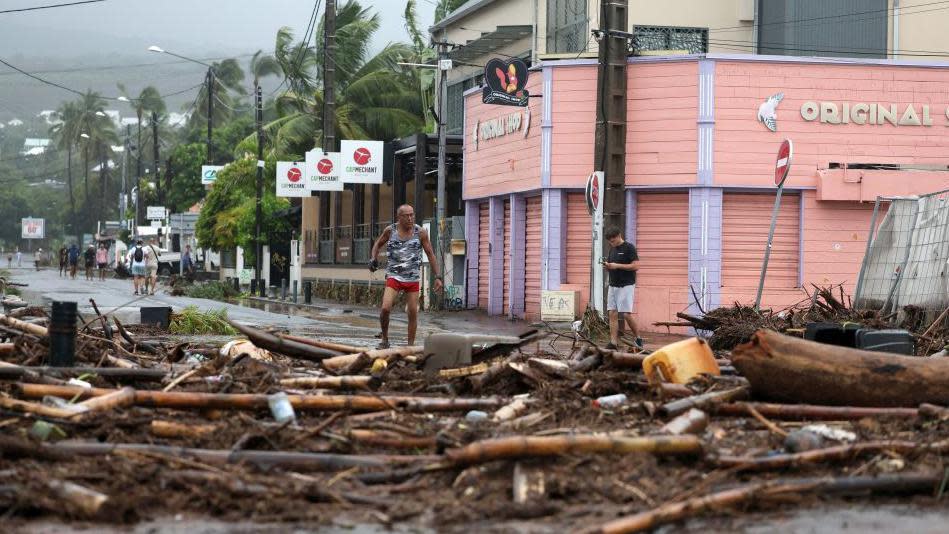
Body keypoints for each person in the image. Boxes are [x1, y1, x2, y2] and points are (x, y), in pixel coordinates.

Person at [369, 204, 442, 349]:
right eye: (406, 216)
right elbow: (377, 244)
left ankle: (410, 346)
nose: (410, 218)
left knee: (413, 312)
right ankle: (385, 339)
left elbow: (430, 254)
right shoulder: (390, 231)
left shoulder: (420, 233)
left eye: (412, 215)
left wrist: (438, 276)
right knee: (385, 308)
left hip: (412, 278)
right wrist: (373, 258)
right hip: (394, 276)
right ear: (399, 217)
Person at [602, 226, 643, 351]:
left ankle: (638, 338)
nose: (612, 243)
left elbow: (636, 266)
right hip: (613, 284)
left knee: (626, 314)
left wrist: (617, 266)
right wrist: (608, 266)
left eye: (613, 240)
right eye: (610, 241)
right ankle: (613, 342)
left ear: (619, 235)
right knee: (612, 313)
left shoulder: (629, 247)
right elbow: (612, 265)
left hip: (626, 285)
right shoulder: (612, 249)